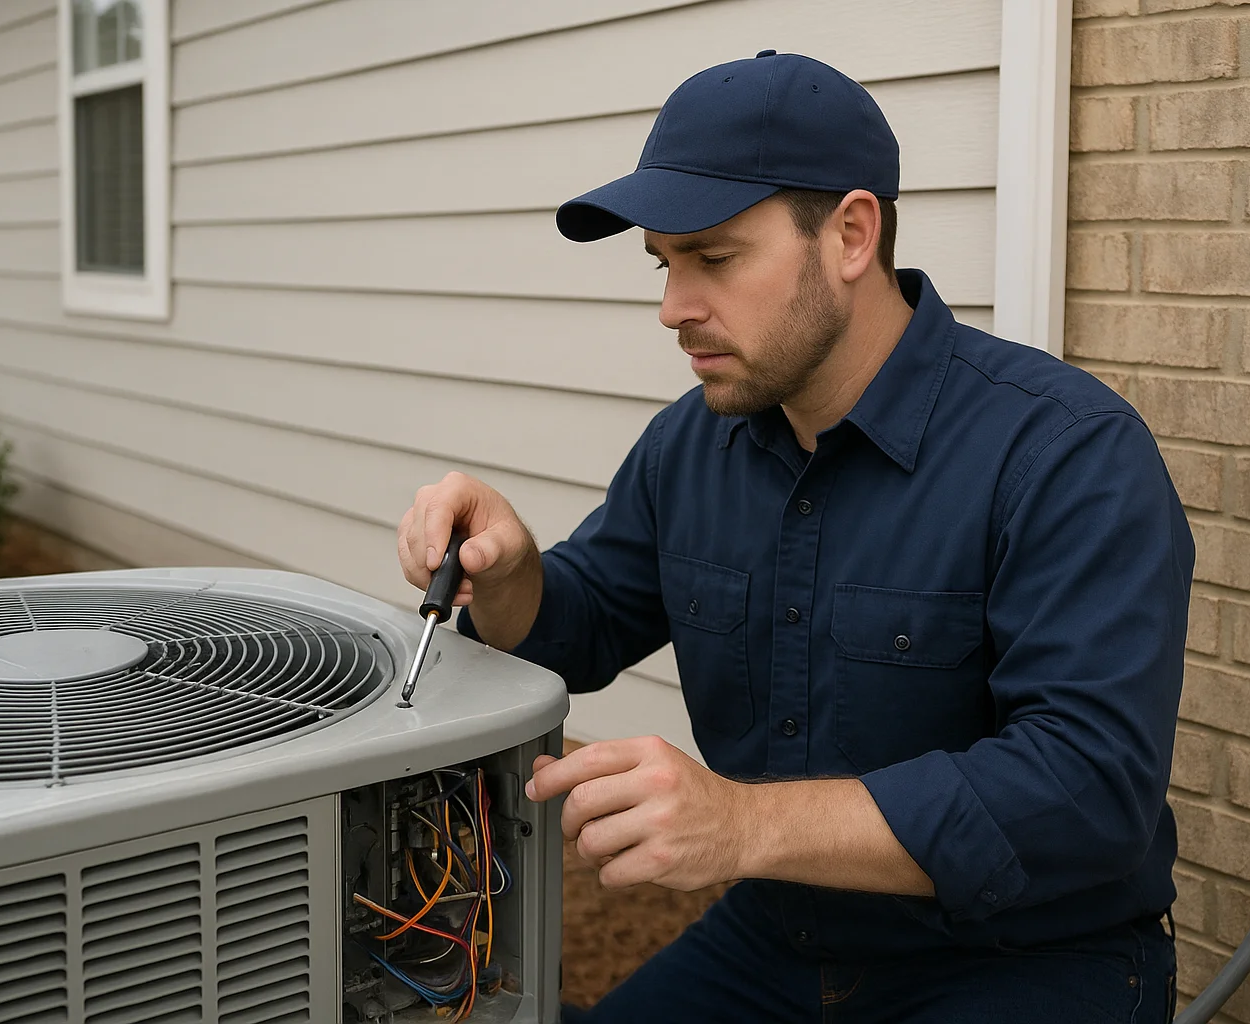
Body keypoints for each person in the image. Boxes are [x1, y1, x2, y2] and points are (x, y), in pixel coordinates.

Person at [397, 50, 1191, 1024]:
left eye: (715, 258)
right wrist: (511, 571)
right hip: (782, 941)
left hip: (1025, 958)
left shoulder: (1066, 453)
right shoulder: (692, 444)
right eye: (665, 262)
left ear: (851, 234)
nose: (673, 307)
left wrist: (741, 825)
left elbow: (1086, 790)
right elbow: (582, 622)